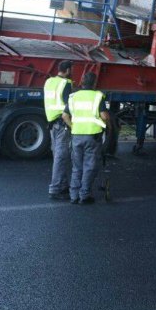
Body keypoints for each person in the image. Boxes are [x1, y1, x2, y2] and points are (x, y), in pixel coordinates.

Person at [62, 72, 110, 205]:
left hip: (76, 135)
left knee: (77, 166)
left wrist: (73, 126)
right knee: (89, 166)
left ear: (82, 82)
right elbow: (105, 117)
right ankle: (84, 195)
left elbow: (65, 116)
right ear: (94, 83)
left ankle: (73, 196)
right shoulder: (97, 96)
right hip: (92, 137)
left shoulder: (73, 97)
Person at [44, 60, 73, 200]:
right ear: (67, 70)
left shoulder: (49, 81)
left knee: (57, 155)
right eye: (71, 70)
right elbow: (69, 105)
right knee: (61, 157)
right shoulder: (66, 83)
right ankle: (55, 189)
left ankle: (62, 185)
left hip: (51, 122)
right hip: (62, 123)